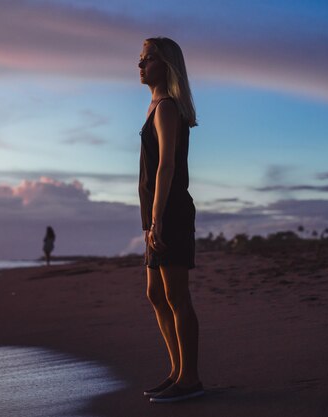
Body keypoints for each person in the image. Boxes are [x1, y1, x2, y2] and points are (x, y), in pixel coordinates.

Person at [138, 37, 203, 403]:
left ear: (165, 65)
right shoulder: (153, 105)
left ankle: (190, 379)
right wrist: (148, 221)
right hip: (156, 214)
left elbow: (166, 166)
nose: (140, 65)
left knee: (177, 295)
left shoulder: (166, 107)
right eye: (141, 59)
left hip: (171, 211)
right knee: (155, 293)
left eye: (147, 59)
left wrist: (159, 218)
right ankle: (177, 371)